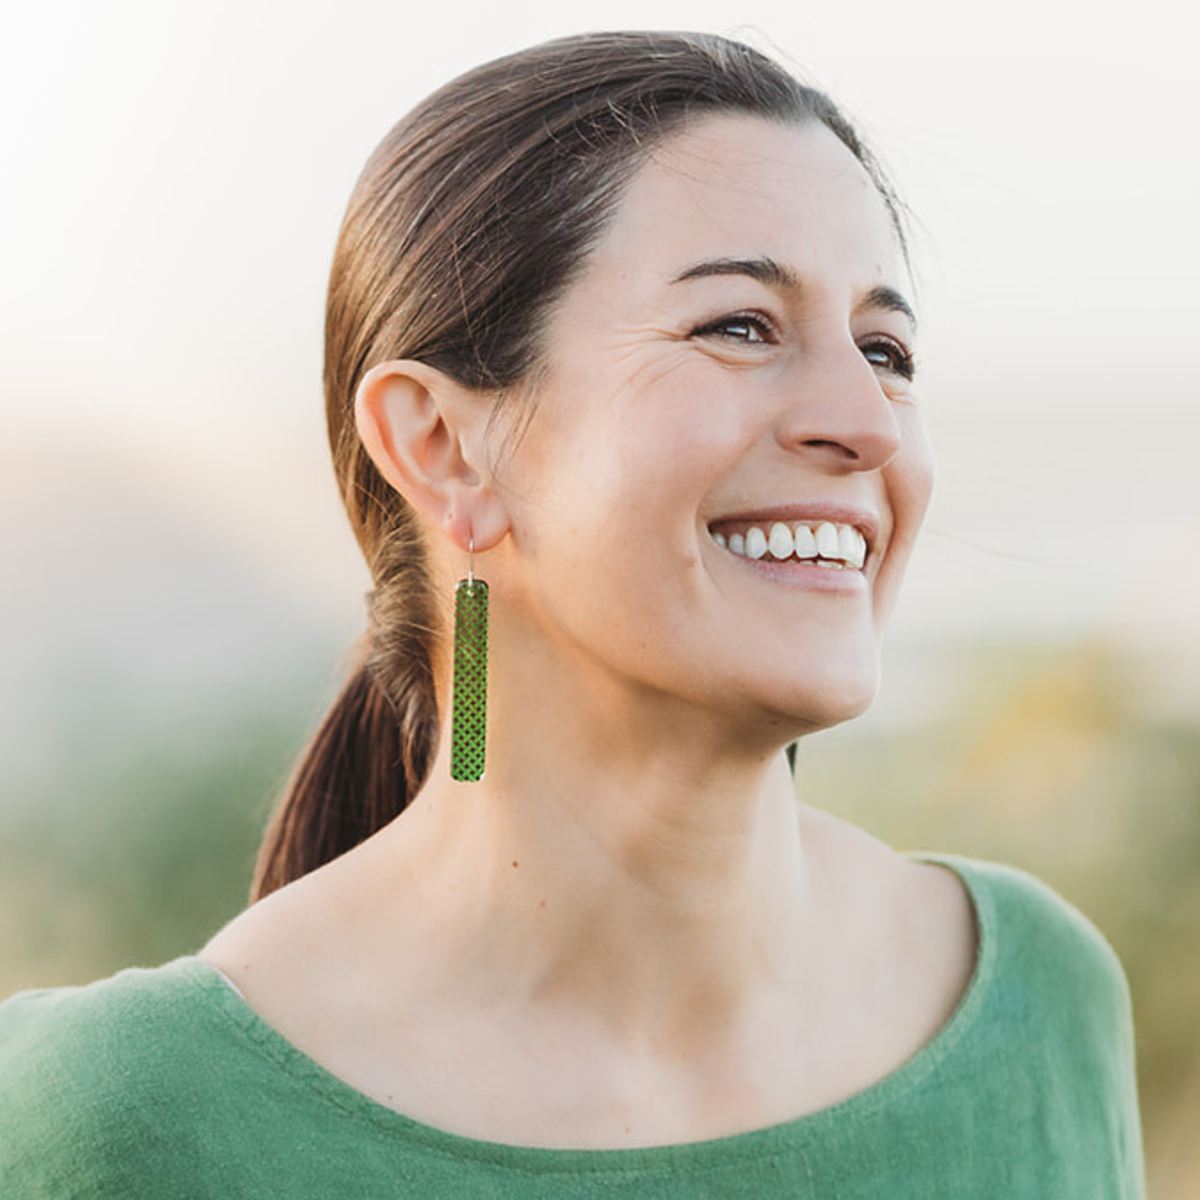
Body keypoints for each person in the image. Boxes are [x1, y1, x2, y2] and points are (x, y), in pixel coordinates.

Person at [0, 30, 1143, 1197]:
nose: (870, 422)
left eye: (888, 349)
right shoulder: (127, 1121)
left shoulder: (1036, 1006)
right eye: (739, 326)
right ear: (443, 448)